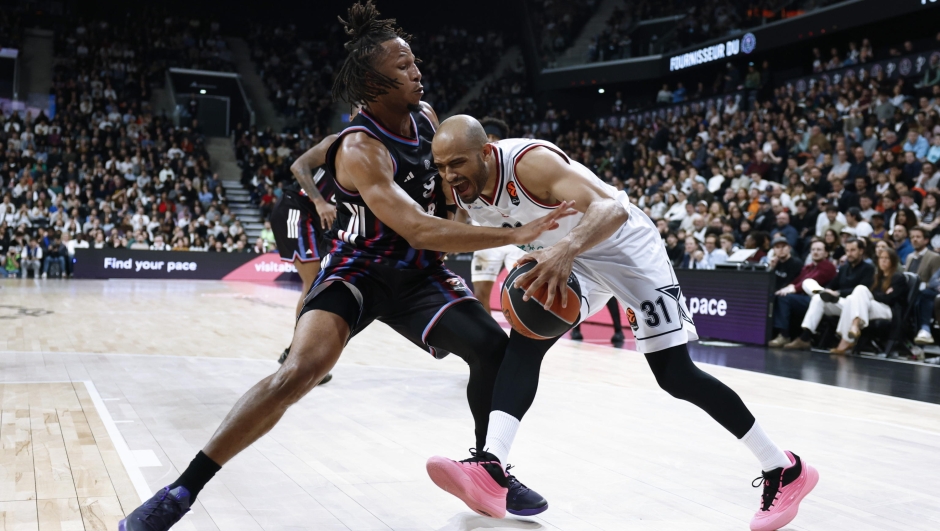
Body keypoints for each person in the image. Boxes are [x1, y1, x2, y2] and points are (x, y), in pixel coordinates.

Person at [119, 5, 570, 529]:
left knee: (493, 349)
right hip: (360, 270)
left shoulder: (427, 120)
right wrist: (514, 235)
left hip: (420, 275)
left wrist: (461, 204)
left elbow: (439, 198)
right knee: (299, 373)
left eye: (414, 61)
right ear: (373, 84)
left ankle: (488, 472)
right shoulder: (359, 148)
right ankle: (180, 491)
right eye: (403, 66)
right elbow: (416, 227)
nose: (417, 71)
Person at [426, 115, 818, 531]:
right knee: (524, 339)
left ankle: (784, 468)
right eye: (442, 166)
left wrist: (565, 248)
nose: (449, 174)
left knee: (675, 374)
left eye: (458, 163)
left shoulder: (529, 163)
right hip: (573, 258)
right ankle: (492, 466)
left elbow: (611, 208)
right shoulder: (459, 188)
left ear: (487, 152)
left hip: (624, 249)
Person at [270, 132, 339, 367]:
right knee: (314, 286)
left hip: (321, 220)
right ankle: (297, 354)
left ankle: (299, 352)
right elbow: (298, 166)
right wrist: (319, 201)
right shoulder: (337, 141)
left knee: (321, 285)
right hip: (298, 207)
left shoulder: (382, 156)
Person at [468, 117, 526, 316]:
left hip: (515, 239)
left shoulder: (512, 164)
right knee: (480, 294)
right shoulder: (470, 169)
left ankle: (520, 332)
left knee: (521, 294)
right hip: (486, 238)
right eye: (488, 137)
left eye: (495, 137)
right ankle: (489, 333)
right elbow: (461, 206)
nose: (491, 140)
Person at [784, 238, 875, 349]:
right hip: (838, 301)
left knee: (822, 297)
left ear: (861, 251)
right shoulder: (844, 268)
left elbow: (863, 290)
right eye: (847, 251)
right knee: (812, 289)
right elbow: (832, 284)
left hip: (853, 304)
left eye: (852, 250)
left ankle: (823, 296)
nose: (849, 254)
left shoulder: (869, 269)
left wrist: (838, 293)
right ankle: (805, 337)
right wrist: (828, 290)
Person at [830, 248, 906, 354]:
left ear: (893, 261)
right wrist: (879, 294)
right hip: (874, 307)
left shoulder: (898, 277)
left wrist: (873, 295)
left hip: (888, 310)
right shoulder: (876, 277)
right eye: (881, 258)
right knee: (851, 299)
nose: (883, 261)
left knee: (860, 289)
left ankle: (850, 335)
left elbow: (889, 299)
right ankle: (851, 332)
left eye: (887, 258)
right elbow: (879, 295)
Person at [768, 239, 837, 347]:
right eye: (813, 249)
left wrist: (792, 289)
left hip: (819, 300)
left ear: (826, 253)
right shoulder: (809, 267)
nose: (815, 252)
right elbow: (797, 281)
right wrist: (787, 288)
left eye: (819, 250)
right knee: (779, 296)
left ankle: (784, 335)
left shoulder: (828, 266)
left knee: (784, 298)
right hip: (805, 298)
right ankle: (773, 333)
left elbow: (814, 280)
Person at [904, 227, 940, 344]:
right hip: (910, 292)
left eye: (918, 237)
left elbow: (936, 281)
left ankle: (924, 329)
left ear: (926, 240)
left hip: (928, 292)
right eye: (912, 237)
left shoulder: (934, 257)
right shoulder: (909, 257)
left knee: (923, 295)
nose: (914, 239)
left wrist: (922, 285)